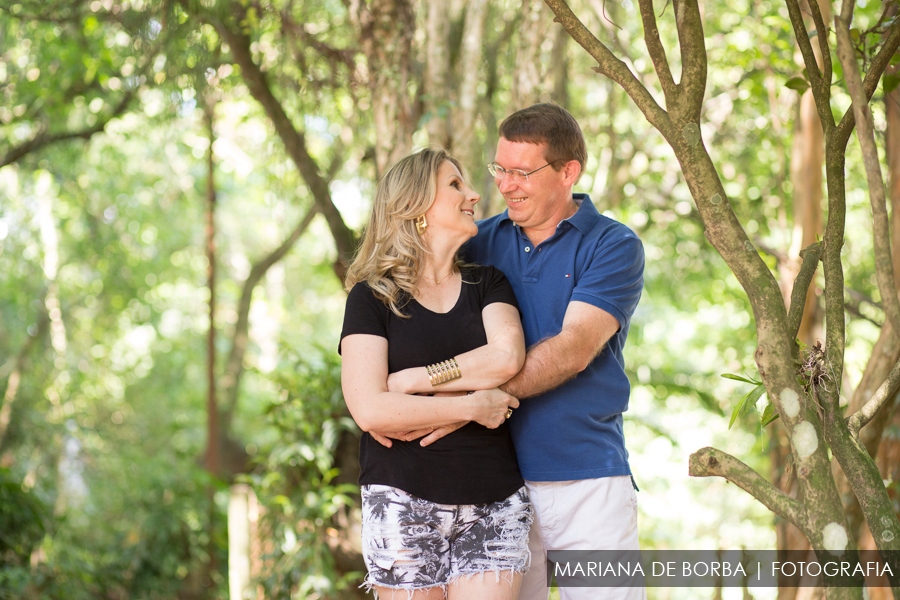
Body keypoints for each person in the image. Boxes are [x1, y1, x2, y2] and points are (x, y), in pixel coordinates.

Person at [418, 104, 646, 600]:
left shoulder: (613, 245)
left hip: (588, 481)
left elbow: (573, 350)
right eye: (500, 169)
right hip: (493, 485)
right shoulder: (477, 244)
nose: (506, 184)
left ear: (569, 172)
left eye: (522, 172)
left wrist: (468, 406)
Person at [339, 148, 534, 600]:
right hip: (401, 497)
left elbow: (506, 358)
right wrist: (473, 404)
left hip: (494, 500)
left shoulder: (488, 283)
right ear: (415, 205)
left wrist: (415, 382)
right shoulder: (371, 298)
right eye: (455, 185)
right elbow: (370, 409)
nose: (473, 195)